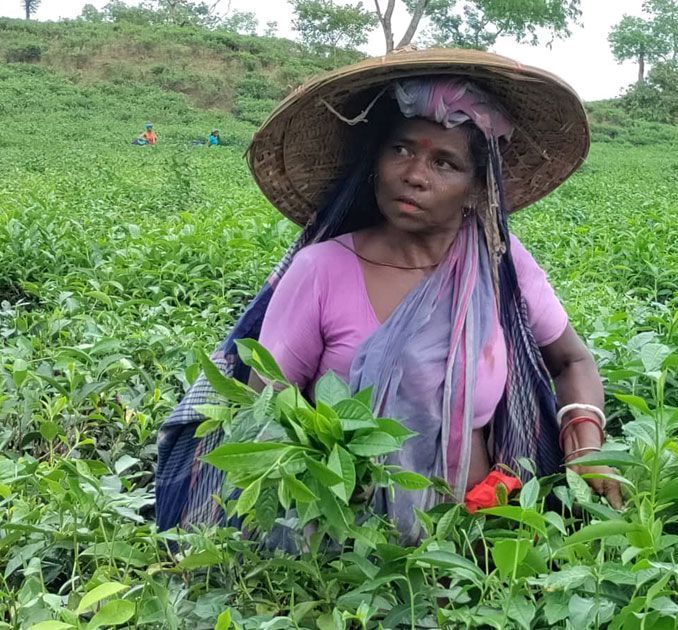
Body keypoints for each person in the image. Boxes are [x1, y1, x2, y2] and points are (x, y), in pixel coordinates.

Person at [154, 48, 619, 542]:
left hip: (478, 540)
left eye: (445, 162)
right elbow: (263, 411)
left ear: (477, 187)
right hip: (342, 551)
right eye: (401, 150)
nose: (415, 174)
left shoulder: (500, 263)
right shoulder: (322, 270)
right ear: (374, 159)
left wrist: (585, 447)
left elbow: (572, 363)